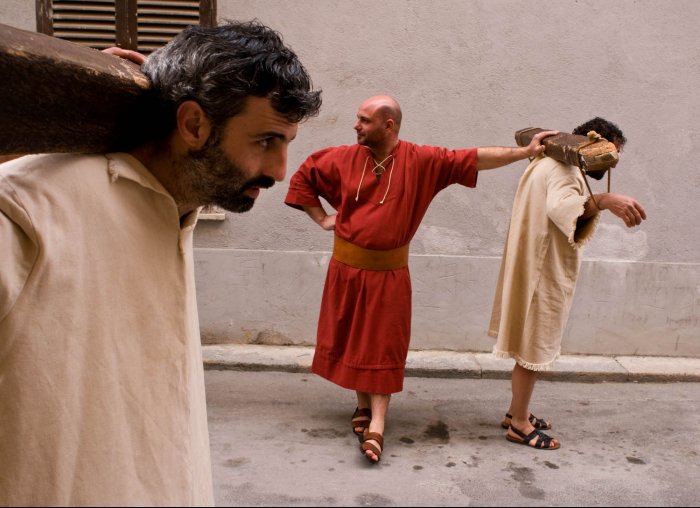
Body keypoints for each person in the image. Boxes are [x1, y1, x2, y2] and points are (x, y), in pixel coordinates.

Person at [0, 20, 321, 506]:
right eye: (265, 141)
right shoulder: (26, 211)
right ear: (193, 125)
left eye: (287, 144)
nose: (280, 170)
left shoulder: (177, 204)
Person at [284, 95, 555, 463]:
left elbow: (472, 157)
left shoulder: (421, 161)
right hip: (345, 270)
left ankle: (377, 423)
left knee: (382, 346)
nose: (356, 125)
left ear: (389, 125)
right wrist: (321, 218)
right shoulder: (342, 158)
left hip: (389, 274)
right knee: (354, 341)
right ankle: (362, 405)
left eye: (364, 120)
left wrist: (525, 152)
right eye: (357, 118)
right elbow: (304, 176)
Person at [488, 117, 646, 450]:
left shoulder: (546, 160)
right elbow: (563, 209)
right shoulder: (565, 170)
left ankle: (517, 411)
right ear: (594, 145)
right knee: (533, 349)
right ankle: (518, 425)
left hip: (535, 263)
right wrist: (604, 201)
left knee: (529, 345)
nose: (610, 162)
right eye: (610, 153)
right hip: (542, 272)